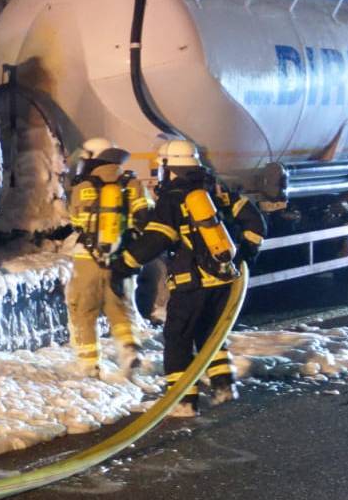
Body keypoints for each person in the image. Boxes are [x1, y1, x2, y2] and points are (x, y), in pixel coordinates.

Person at [113, 139, 265, 418]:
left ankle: (183, 402)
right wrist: (245, 253)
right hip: (223, 281)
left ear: (169, 167)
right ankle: (224, 386)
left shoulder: (173, 197)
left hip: (191, 283)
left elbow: (157, 238)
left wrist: (124, 264)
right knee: (209, 333)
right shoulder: (216, 188)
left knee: (177, 339)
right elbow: (256, 222)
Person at [65, 138, 153, 381]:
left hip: (87, 258)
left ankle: (90, 366)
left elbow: (76, 221)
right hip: (122, 258)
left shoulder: (83, 185)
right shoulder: (132, 183)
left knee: (84, 310)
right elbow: (146, 217)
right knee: (120, 308)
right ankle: (130, 351)